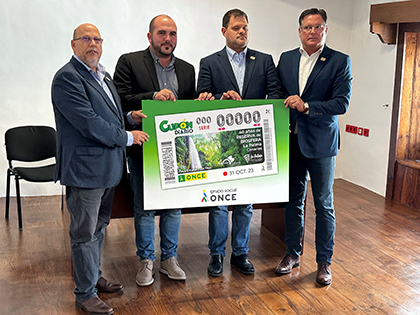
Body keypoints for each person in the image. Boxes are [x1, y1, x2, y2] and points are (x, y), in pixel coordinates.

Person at [51, 23, 149, 315]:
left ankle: (93, 276)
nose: (92, 44)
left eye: (97, 39)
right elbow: (89, 122)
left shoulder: (102, 74)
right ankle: (84, 293)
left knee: (98, 228)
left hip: (107, 168)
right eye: (86, 39)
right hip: (85, 170)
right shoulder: (67, 78)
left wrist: (130, 116)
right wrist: (128, 137)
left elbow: (111, 114)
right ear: (73, 45)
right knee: (83, 233)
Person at [197, 8, 281, 277]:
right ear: (224, 31)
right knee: (219, 203)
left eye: (245, 27)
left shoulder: (265, 60)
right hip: (221, 143)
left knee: (245, 202)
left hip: (252, 142)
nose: (242, 31)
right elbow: (202, 96)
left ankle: (241, 253)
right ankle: (217, 254)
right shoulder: (209, 62)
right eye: (236, 28)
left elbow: (276, 97)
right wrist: (220, 98)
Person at [113, 15, 196, 286]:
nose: (167, 39)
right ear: (150, 36)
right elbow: (119, 97)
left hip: (177, 151)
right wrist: (151, 97)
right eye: (162, 33)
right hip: (144, 148)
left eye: (172, 33)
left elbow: (190, 109)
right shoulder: (129, 61)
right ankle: (146, 260)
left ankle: (169, 259)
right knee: (145, 207)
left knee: (173, 207)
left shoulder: (186, 69)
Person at [274, 8, 352, 285]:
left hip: (321, 144)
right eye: (307, 27)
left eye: (318, 27)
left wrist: (307, 106)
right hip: (291, 141)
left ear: (326, 30)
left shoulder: (340, 61)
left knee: (323, 204)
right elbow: (277, 95)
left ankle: (324, 262)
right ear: (299, 30)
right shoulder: (286, 59)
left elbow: (341, 103)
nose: (312, 32)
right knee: (293, 200)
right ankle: (292, 253)